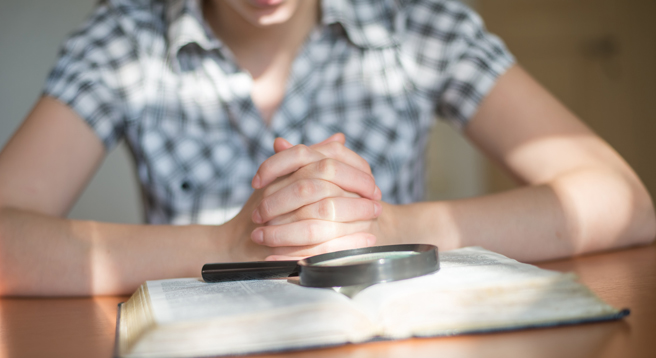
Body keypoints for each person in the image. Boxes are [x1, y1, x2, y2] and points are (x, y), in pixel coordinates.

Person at [0, 0, 653, 297]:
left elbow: (623, 201)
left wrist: (387, 228)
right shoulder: (124, 37)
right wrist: (226, 247)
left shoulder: (419, 22)